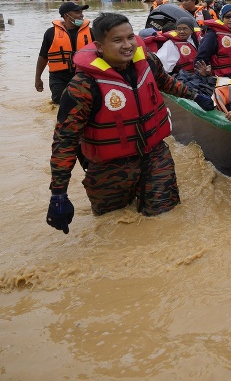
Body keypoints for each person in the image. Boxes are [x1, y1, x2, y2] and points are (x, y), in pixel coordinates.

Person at [46, 13, 215, 234]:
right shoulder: (83, 86)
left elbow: (166, 82)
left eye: (130, 38)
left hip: (154, 156)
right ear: (99, 46)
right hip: (109, 168)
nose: (127, 46)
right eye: (118, 40)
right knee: (113, 227)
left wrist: (195, 96)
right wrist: (59, 193)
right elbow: (65, 141)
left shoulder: (147, 62)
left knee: (166, 219)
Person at [35, 2, 93, 104]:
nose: (82, 15)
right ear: (67, 15)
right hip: (59, 77)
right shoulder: (51, 33)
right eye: (77, 12)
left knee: (85, 103)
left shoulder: (92, 32)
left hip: (84, 75)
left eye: (81, 12)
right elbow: (43, 57)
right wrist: (38, 78)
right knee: (60, 103)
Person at [195, 4, 231, 80]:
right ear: (221, 17)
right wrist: (203, 73)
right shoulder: (212, 35)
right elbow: (200, 59)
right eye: (227, 16)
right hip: (222, 77)